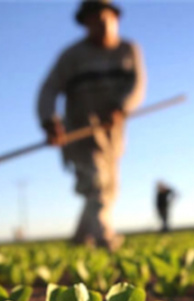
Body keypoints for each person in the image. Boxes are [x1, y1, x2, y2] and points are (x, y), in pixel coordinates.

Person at [37, 0, 146, 250]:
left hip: (113, 134)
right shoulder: (72, 56)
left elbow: (137, 85)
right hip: (80, 132)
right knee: (95, 182)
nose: (102, 24)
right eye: (94, 19)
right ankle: (104, 238)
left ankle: (79, 239)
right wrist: (49, 121)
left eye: (106, 18)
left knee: (108, 188)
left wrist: (122, 107)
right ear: (85, 23)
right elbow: (49, 89)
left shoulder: (129, 50)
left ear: (116, 19)